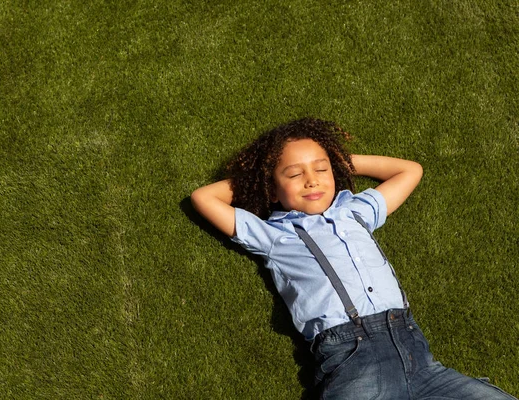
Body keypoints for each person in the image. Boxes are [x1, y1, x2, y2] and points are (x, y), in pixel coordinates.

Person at [191, 118, 516, 399]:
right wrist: (257, 178)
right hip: (353, 357)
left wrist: (342, 159)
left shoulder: (354, 212)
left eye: (321, 168)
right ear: (272, 190)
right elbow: (203, 197)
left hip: (417, 355)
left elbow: (409, 170)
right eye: (293, 174)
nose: (312, 179)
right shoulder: (275, 237)